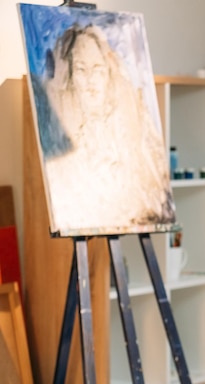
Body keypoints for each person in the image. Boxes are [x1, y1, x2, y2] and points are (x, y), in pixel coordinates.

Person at [39, 23, 174, 234]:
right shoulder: (61, 140)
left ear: (109, 73)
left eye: (98, 69)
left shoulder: (128, 133)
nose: (91, 80)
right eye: (82, 70)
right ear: (71, 77)